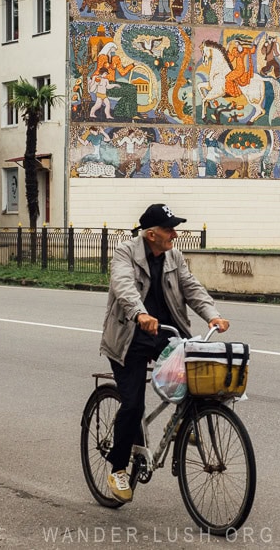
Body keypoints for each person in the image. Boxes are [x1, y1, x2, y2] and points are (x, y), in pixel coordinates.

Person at [99, 203, 229, 503]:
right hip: (129, 337)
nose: (174, 234)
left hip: (164, 334)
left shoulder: (174, 255)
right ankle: (118, 469)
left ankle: (186, 421)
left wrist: (212, 314)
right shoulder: (125, 253)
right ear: (151, 235)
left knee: (193, 372)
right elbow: (123, 287)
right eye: (169, 229)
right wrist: (140, 314)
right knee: (133, 405)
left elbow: (191, 287)